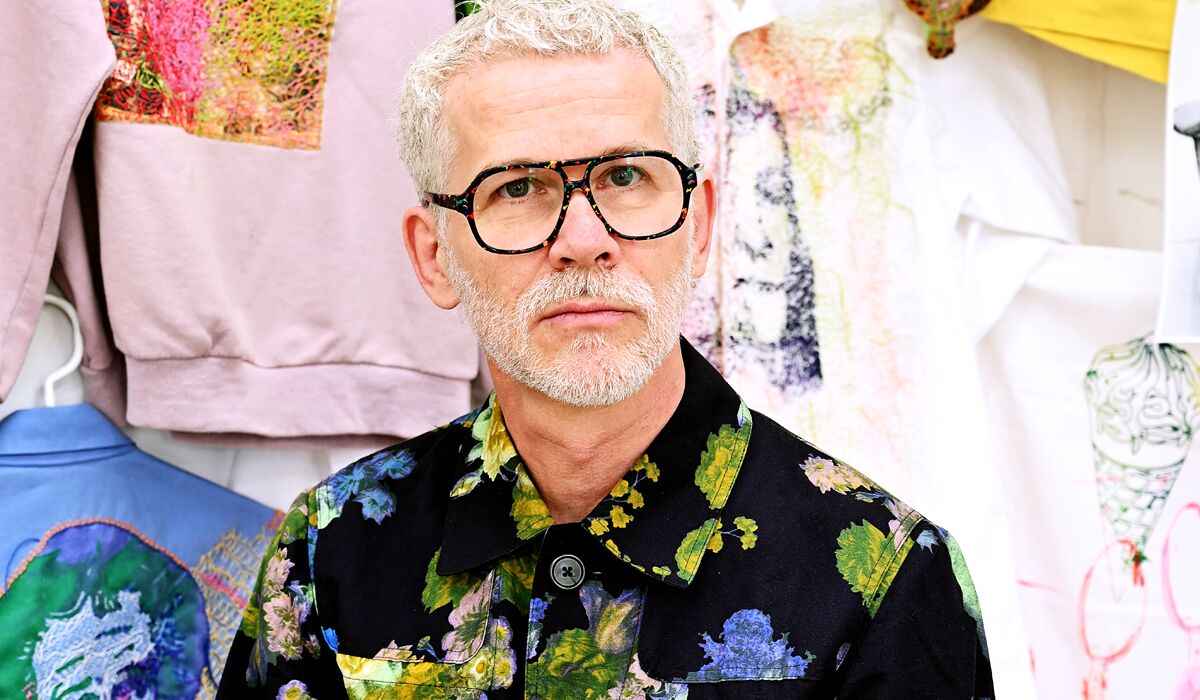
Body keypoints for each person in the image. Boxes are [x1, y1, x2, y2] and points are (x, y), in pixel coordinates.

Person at [218, 0, 995, 697]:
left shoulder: (885, 578)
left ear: (699, 226)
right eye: (516, 188)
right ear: (434, 257)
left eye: (626, 176)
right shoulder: (330, 549)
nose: (584, 240)